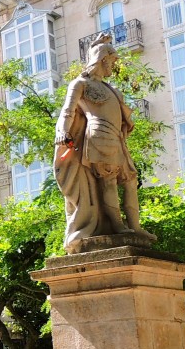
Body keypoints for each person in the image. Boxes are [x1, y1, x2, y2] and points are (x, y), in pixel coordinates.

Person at [54, 33, 156, 254]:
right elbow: (68, 111)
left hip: (117, 140)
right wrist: (62, 131)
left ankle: (136, 228)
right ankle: (118, 226)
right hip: (99, 136)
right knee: (108, 181)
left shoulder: (110, 88)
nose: (113, 66)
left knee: (130, 180)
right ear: (101, 60)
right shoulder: (79, 84)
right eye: (111, 61)